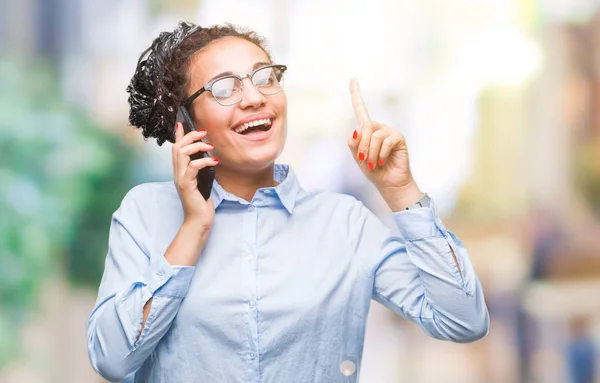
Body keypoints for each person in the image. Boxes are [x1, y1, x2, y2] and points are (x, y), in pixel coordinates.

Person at [86, 21, 489, 382]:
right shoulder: (146, 212)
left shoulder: (343, 223)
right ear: (187, 123)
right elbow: (112, 360)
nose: (254, 97)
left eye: (265, 78)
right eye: (225, 87)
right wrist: (193, 228)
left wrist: (400, 189)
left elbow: (463, 321)